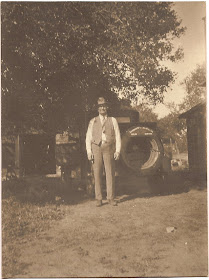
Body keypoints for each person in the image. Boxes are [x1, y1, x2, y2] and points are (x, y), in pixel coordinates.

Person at [86, 97, 121, 207]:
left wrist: (118, 151)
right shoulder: (93, 121)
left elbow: (118, 136)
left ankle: (110, 198)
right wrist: (88, 151)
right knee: (97, 173)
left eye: (104, 106)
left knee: (110, 173)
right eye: (100, 106)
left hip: (108, 148)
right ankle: (99, 198)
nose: (102, 108)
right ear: (97, 109)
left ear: (107, 107)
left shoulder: (113, 120)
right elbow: (88, 137)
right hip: (96, 147)